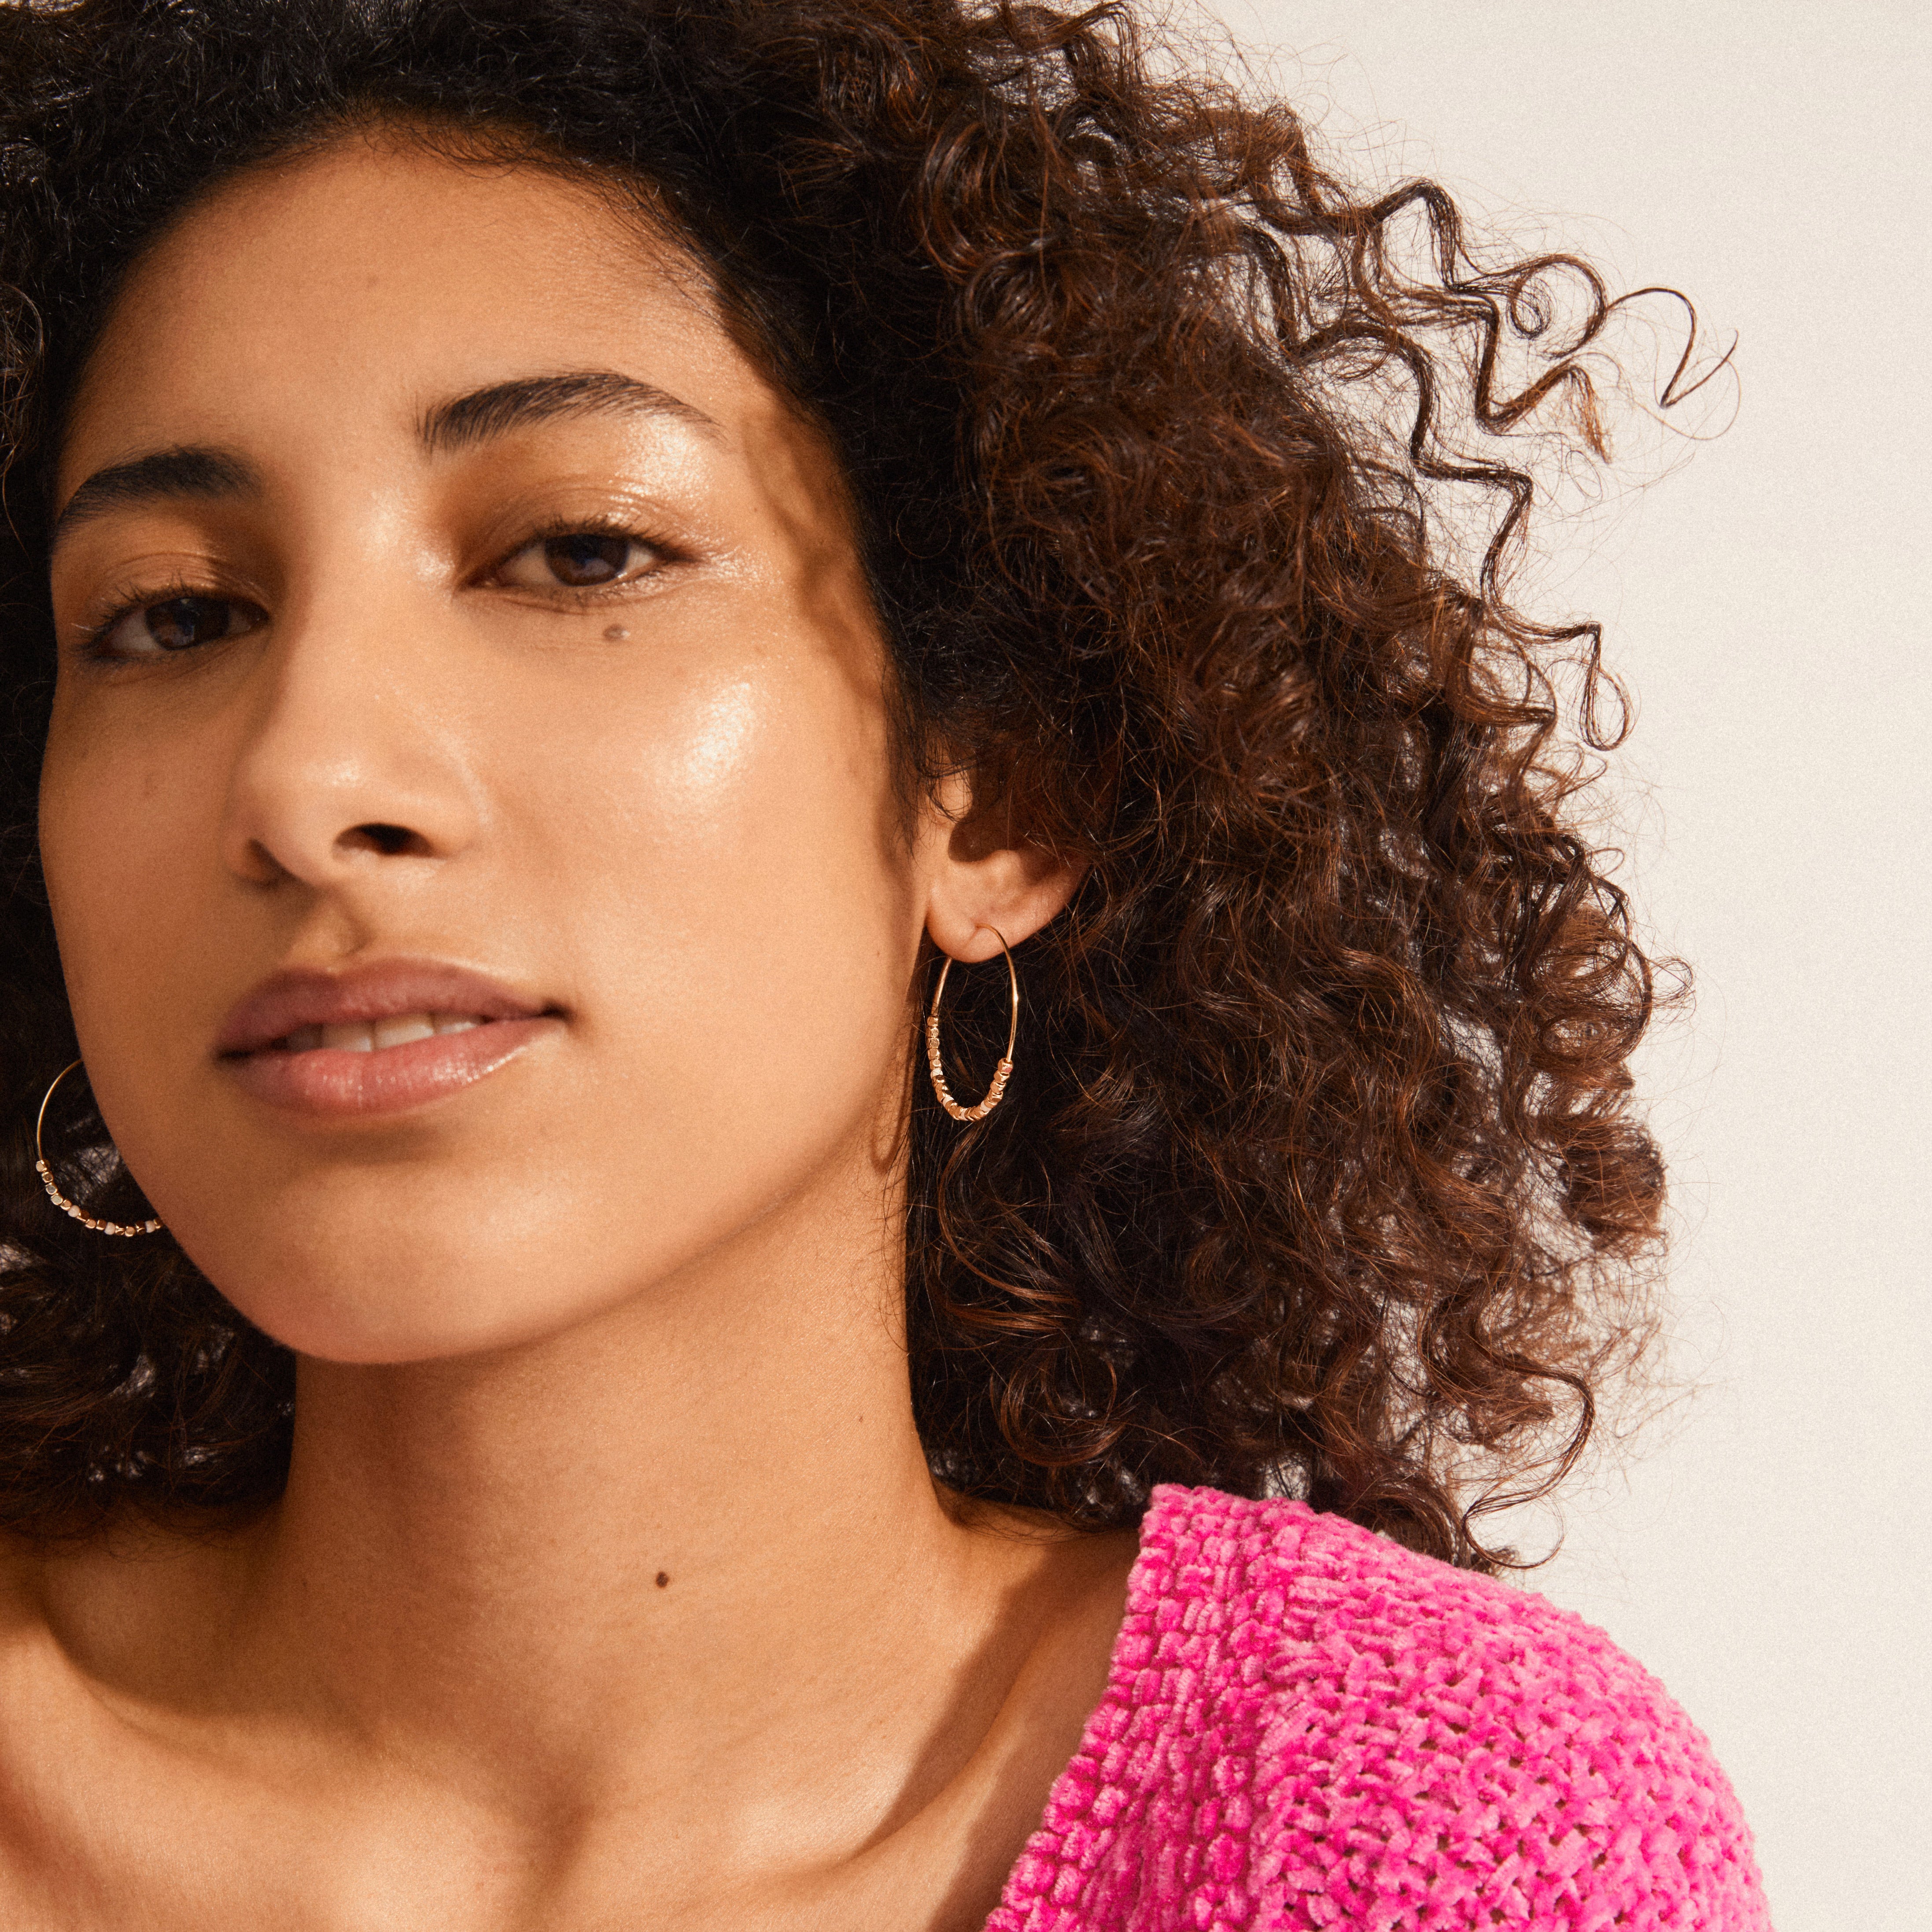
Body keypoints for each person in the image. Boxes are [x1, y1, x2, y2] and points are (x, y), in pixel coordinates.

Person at [0, 1, 1771, 1925]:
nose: (306, 774)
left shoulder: (1408, 1819)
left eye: (577, 553)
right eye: (173, 613)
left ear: (994, 791)